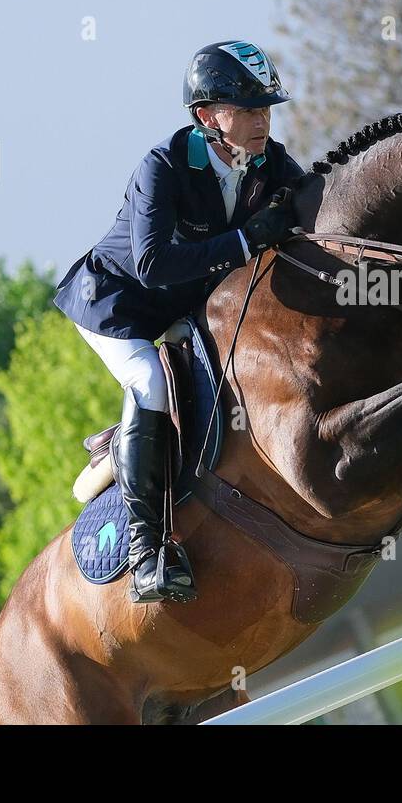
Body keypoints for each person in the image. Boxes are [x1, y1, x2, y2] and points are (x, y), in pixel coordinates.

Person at [54, 40, 303, 603]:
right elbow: (152, 264)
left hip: (184, 307)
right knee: (148, 382)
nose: (262, 119)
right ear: (207, 116)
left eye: (266, 108)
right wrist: (243, 240)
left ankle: (135, 442)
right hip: (117, 305)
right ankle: (146, 552)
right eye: (248, 109)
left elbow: (314, 207)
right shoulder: (162, 166)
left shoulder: (269, 162)